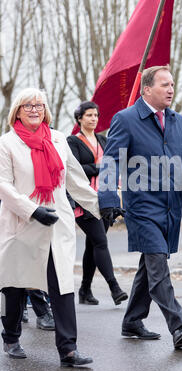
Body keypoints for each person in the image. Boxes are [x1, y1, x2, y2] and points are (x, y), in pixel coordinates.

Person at [98, 65, 182, 349]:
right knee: (157, 264)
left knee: (150, 265)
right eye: (165, 85)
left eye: (172, 84)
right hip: (141, 206)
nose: (171, 89)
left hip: (171, 205)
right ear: (146, 90)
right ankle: (178, 326)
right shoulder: (126, 119)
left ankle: (132, 320)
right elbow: (111, 160)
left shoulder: (178, 121)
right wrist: (107, 198)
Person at [0, 88, 101, 366]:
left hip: (56, 225)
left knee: (62, 285)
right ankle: (10, 336)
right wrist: (32, 210)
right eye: (28, 105)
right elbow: (4, 186)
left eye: (39, 105)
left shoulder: (57, 139)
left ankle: (68, 349)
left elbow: (76, 180)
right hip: (21, 225)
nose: (34, 109)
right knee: (14, 286)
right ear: (17, 111)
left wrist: (101, 204)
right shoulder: (6, 143)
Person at [67, 101, 128, 306]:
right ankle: (114, 287)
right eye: (89, 115)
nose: (93, 119)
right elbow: (74, 170)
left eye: (95, 115)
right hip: (84, 200)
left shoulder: (104, 140)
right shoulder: (72, 142)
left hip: (105, 200)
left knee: (92, 244)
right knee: (100, 242)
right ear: (79, 119)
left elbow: (113, 167)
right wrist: (98, 166)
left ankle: (84, 290)